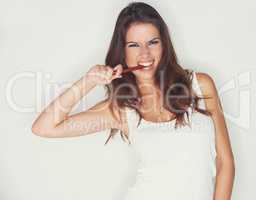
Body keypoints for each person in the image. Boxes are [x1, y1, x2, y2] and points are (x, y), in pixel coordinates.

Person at [31, 2, 235, 200]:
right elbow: (44, 127)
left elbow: (225, 163)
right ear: (123, 51)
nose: (145, 53)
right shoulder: (119, 110)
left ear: (164, 45)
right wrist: (88, 81)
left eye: (153, 42)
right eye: (134, 45)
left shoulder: (200, 85)